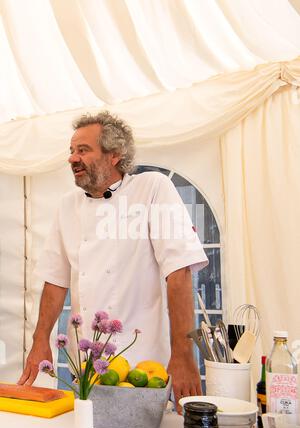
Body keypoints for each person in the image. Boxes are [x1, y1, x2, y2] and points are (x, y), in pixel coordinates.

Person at [18, 111, 208, 411]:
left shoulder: (153, 189)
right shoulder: (68, 206)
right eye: (71, 151)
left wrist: (183, 355)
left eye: (83, 150)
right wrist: (40, 340)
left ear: (114, 155)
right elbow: (55, 280)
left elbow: (179, 271)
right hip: (88, 369)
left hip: (144, 365)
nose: (72, 158)